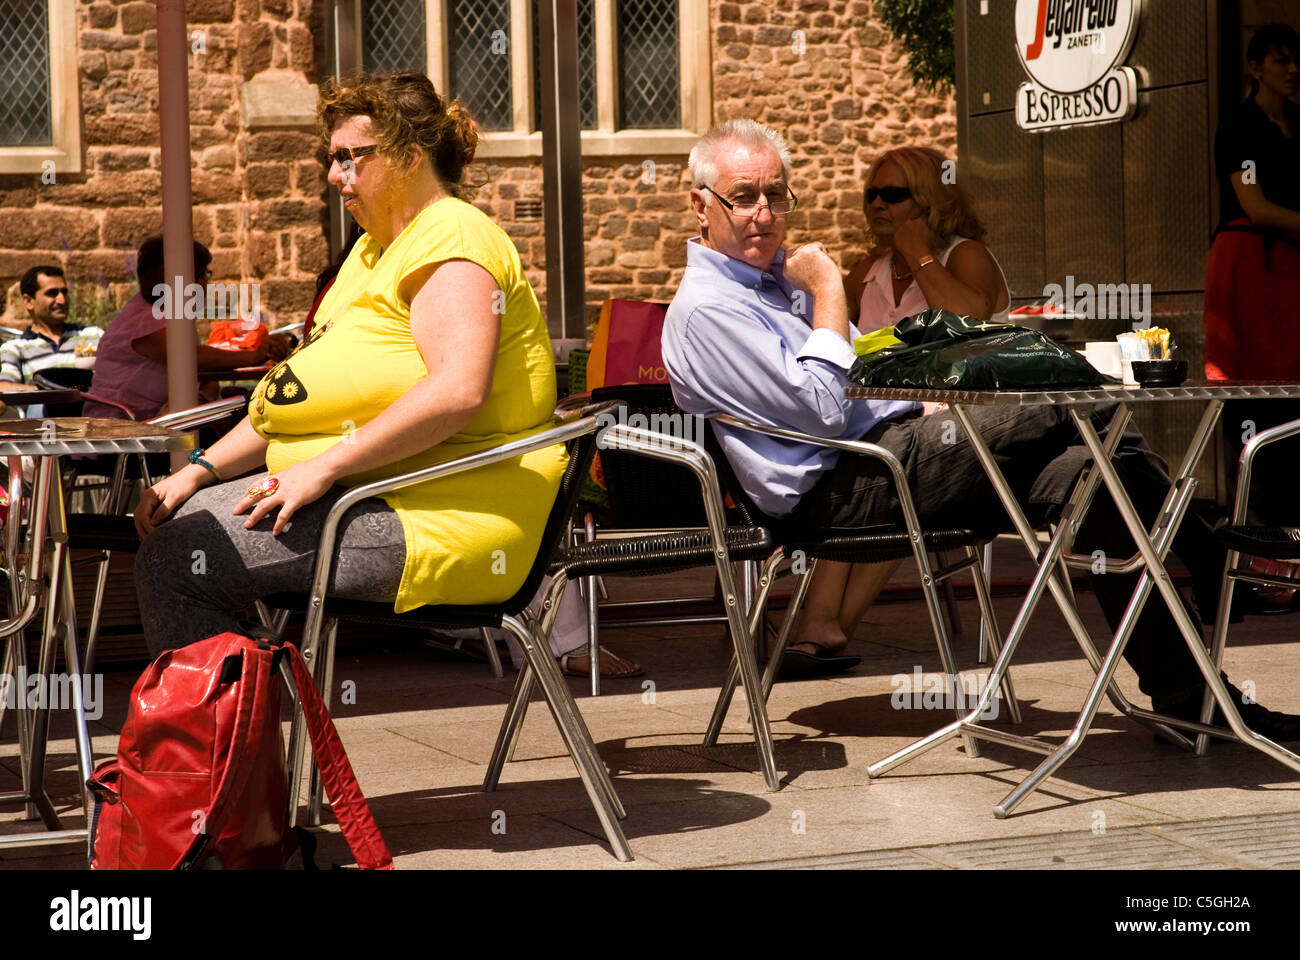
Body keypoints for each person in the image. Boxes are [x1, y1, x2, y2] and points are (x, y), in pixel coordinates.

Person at [661, 118, 1300, 738]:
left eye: (776, 195)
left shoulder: (778, 284)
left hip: (889, 451)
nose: (765, 214)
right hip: (844, 490)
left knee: (1101, 482)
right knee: (1074, 398)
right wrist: (830, 290)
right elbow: (827, 406)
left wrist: (924, 400)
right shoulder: (710, 309)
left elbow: (865, 372)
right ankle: (1208, 546)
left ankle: (1191, 697)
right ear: (700, 204)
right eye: (744, 197)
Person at [131, 72, 568, 658]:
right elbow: (283, 408)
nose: (334, 175)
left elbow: (457, 392)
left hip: (439, 513)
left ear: (409, 157)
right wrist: (199, 471)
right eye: (330, 158)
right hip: (357, 494)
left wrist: (322, 468)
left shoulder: (454, 237)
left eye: (348, 158)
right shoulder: (369, 251)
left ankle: (224, 739)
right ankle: (241, 716)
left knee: (180, 560)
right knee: (175, 524)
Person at [1203, 23, 1300, 607]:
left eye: (1297, 61)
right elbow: (1255, 204)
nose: (1292, 70)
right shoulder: (1240, 126)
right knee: (1260, 401)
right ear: (1254, 67)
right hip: (1250, 267)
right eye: (1280, 60)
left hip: (1291, 270)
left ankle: (1284, 558)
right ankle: (1259, 558)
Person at [83, 238, 281, 421]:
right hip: (124, 432)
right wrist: (253, 357)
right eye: (202, 273)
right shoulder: (146, 317)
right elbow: (186, 358)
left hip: (147, 423)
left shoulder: (165, 313)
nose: (204, 282)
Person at [845, 145, 1010, 330]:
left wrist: (916, 251)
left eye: (892, 195)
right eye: (871, 195)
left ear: (929, 201)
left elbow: (966, 323)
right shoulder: (870, 272)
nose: (877, 204)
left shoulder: (966, 254)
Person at [0, 265, 103, 390]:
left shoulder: (93, 336)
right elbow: (4, 388)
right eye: (52, 293)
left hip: (87, 407)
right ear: (29, 301)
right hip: (42, 408)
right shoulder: (15, 348)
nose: (62, 300)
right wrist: (47, 392)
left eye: (64, 292)